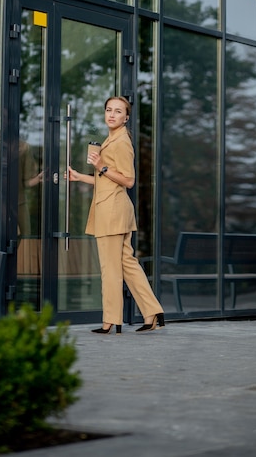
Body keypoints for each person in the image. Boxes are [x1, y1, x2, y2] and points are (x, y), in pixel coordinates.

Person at [67, 96, 164, 334]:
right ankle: (153, 312)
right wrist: (81, 176)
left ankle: (111, 321)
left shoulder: (121, 142)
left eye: (118, 111)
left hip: (112, 212)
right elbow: (107, 181)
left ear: (126, 118)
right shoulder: (112, 140)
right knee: (127, 263)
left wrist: (100, 165)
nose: (112, 114)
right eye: (109, 110)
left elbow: (128, 181)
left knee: (109, 268)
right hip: (114, 208)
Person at [0, 104, 43, 314]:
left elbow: (26, 181)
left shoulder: (23, 148)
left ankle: (0, 312)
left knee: (9, 266)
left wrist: (41, 179)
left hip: (17, 212)